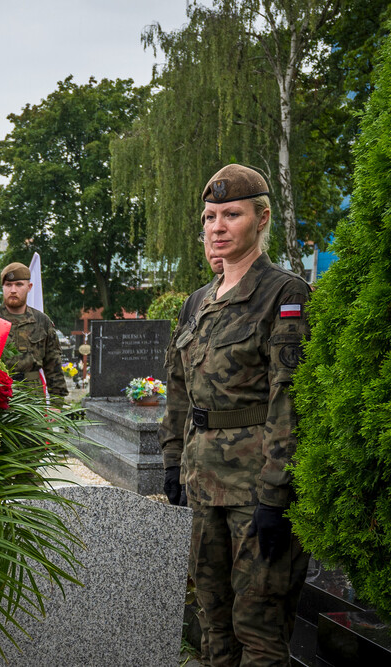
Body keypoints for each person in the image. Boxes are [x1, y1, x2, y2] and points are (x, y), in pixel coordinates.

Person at [159, 164, 310, 666]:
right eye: (209, 217)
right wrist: (171, 461)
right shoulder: (197, 303)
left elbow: (288, 398)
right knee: (211, 619)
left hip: (254, 489)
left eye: (232, 214)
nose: (217, 227)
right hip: (202, 483)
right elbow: (179, 390)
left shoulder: (285, 294)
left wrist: (276, 491)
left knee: (258, 625)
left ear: (262, 218)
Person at [0, 262, 68, 400]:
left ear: (29, 287)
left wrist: (57, 404)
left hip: (32, 397)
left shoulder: (42, 322)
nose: (13, 290)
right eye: (8, 285)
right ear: (2, 287)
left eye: (19, 284)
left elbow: (53, 365)